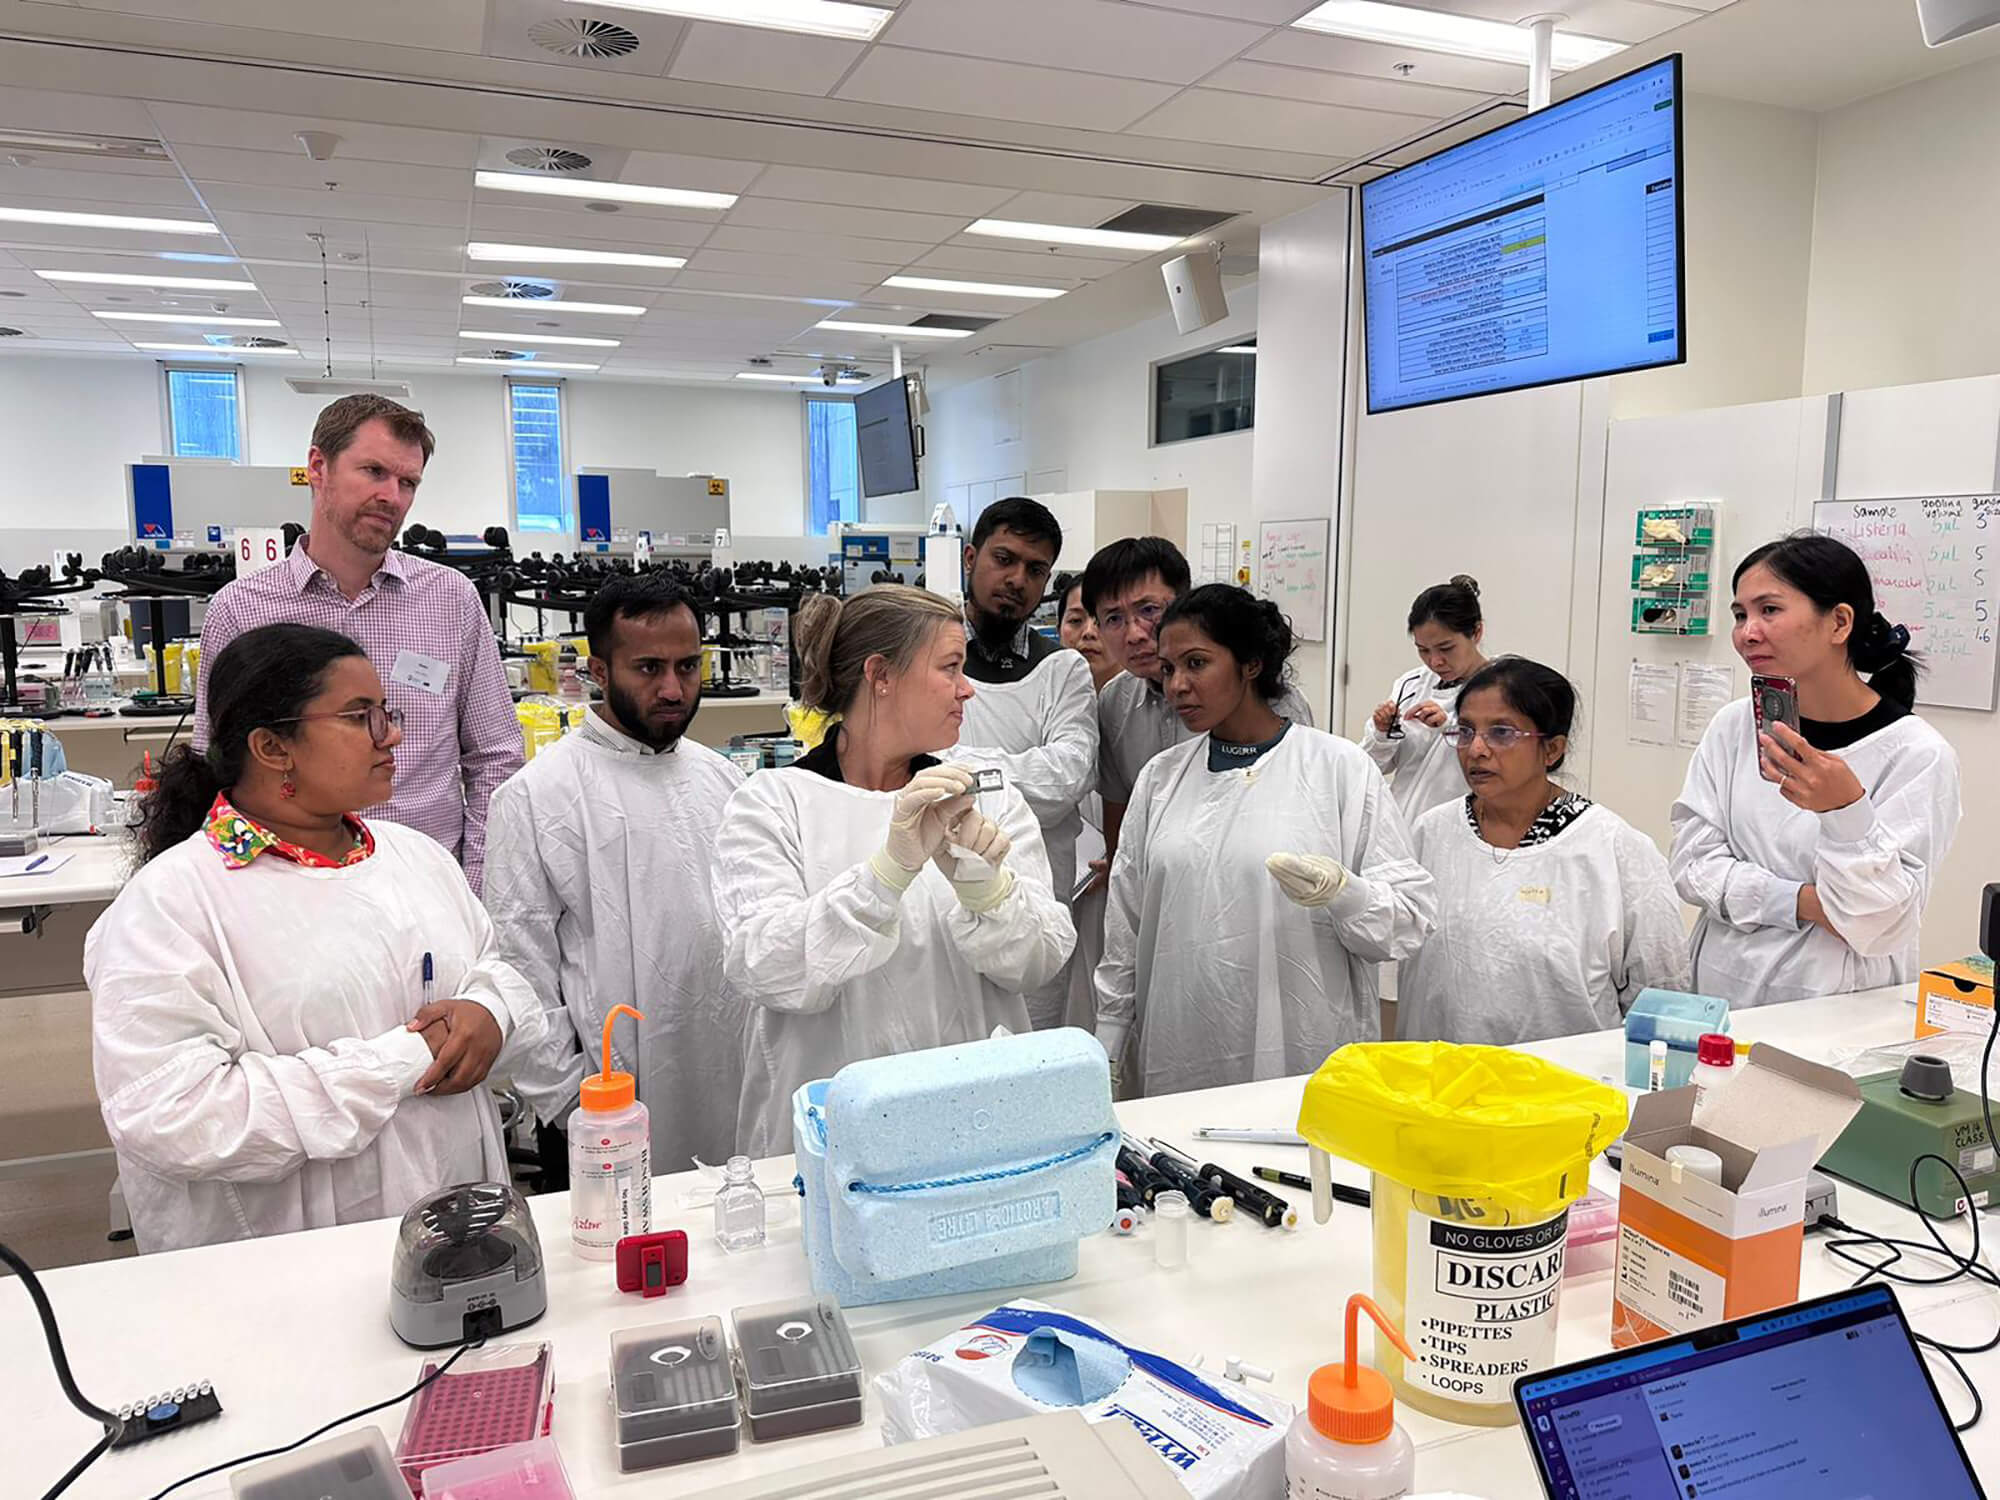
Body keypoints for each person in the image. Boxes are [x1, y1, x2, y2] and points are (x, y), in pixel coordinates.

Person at [85, 624, 543, 1252]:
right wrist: (405, 1060)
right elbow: (172, 1115)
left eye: (388, 712)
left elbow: (498, 973)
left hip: (457, 1232)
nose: (394, 736)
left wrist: (490, 1014)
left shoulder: (415, 857)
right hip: (286, 1265)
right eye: (361, 718)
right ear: (273, 747)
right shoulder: (172, 903)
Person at [715, 585, 1075, 1155]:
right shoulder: (773, 802)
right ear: (881, 674)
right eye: (950, 668)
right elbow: (762, 965)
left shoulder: (984, 790)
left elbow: (1042, 960)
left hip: (975, 1121)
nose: (968, 689)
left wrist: (988, 894)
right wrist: (885, 876)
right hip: (833, 1128)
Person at [1097, 585, 1434, 1097]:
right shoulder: (1161, 779)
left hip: (1301, 1048)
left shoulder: (1337, 769)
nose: (1178, 686)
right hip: (1179, 1048)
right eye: (1168, 670)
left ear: (1250, 664)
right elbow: (1126, 924)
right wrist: (1110, 1041)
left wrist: (1346, 893)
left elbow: (1405, 923)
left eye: (1196, 663)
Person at [194, 395, 521, 894]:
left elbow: (496, 758)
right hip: (289, 891)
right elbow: (216, 770)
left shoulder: (450, 601)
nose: (392, 496)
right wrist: (234, 898)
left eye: (407, 482)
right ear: (318, 467)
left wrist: (473, 887)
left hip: (427, 887)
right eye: (373, 471)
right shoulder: (241, 610)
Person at [483, 572, 745, 1179]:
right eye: (648, 668)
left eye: (688, 666)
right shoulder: (536, 795)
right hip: (605, 1108)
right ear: (598, 671)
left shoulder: (724, 780)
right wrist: (572, 1100)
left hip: (727, 1076)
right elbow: (521, 968)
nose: (674, 689)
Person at [1670, 534, 1962, 1008]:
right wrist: (1804, 902)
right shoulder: (1734, 727)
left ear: (1840, 622)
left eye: (1769, 610)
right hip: (1722, 993)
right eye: (1740, 614)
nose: (1748, 632)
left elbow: (1877, 922)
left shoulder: (1916, 754)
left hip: (1837, 1008)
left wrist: (1846, 812)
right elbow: (1691, 866)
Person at [1398, 657, 1689, 1045]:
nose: (1476, 749)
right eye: (1465, 731)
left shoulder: (1614, 850)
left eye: (1501, 733)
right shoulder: (1431, 833)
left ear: (1552, 749)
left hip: (1564, 1089)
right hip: (1438, 1080)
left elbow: (1661, 997)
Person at [950, 498, 1098, 1029]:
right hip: (940, 899)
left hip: (1034, 908)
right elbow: (909, 766)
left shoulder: (1063, 670)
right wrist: (1014, 769)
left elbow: (1066, 779)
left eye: (1035, 570)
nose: (1017, 579)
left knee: (1028, 1064)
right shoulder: (923, 653)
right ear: (971, 558)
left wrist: (958, 769)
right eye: (1004, 559)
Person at [1087, 536, 1314, 876]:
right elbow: (1119, 811)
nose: (1134, 634)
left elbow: (1299, 819)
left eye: (1148, 610)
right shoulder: (1114, 702)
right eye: (1114, 619)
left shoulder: (1272, 702)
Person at [1361, 576, 1490, 826]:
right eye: (1423, 650)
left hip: (1461, 829)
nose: (1435, 661)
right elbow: (1371, 766)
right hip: (1399, 825)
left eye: (1446, 648)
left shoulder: (1502, 687)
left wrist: (1451, 729)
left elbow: (1504, 764)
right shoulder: (1412, 684)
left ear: (1476, 632)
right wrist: (1381, 732)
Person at [1056, 571, 1119, 694]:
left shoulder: (1150, 704)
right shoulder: (1041, 698)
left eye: (1102, 621)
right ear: (1058, 630)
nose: (1089, 632)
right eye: (1075, 620)